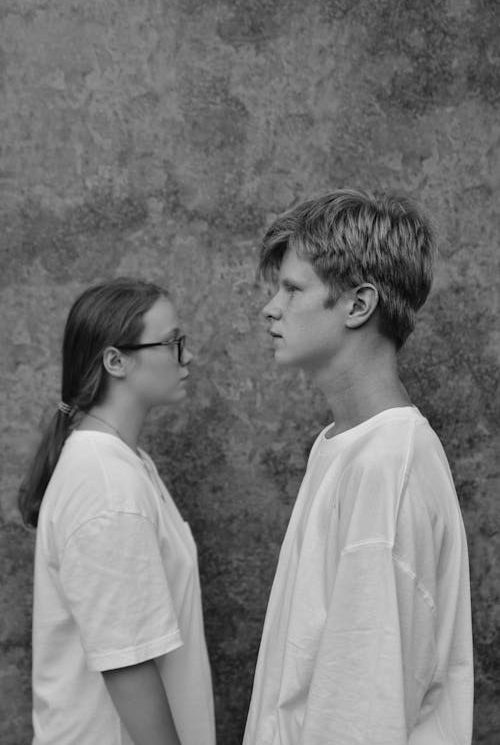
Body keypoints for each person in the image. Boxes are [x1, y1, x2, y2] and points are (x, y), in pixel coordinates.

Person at [243, 190, 473, 745]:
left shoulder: (385, 468)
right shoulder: (345, 445)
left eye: (293, 289)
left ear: (357, 304)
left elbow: (360, 716)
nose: (271, 307)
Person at [19, 278, 216, 745]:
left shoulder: (123, 465)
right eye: (172, 343)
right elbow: (128, 663)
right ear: (115, 360)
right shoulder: (106, 484)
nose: (188, 357)